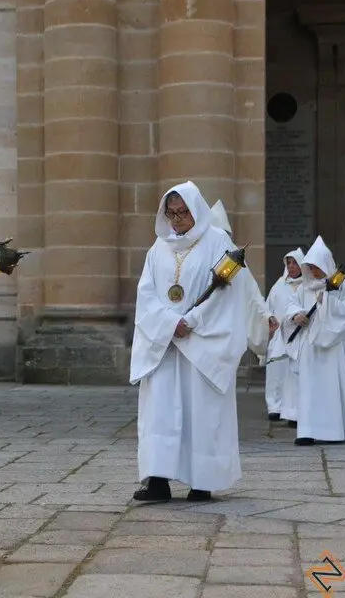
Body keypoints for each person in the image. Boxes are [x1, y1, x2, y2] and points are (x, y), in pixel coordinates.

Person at [130, 181, 248, 502]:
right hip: (166, 344)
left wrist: (192, 321)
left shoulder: (217, 241)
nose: (177, 219)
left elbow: (227, 292)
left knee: (201, 412)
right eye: (171, 213)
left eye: (183, 212)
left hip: (202, 343)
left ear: (196, 210)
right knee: (160, 412)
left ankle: (202, 481)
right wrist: (170, 324)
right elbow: (146, 295)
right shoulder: (158, 248)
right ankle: (157, 481)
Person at [281, 236, 345, 446]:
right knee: (308, 389)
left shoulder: (340, 285)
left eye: (317, 267)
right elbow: (291, 304)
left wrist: (327, 301)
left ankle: (333, 431)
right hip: (310, 347)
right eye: (310, 267)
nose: (313, 271)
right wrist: (296, 315)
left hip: (332, 349)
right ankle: (307, 431)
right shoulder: (305, 286)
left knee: (330, 389)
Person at [209, 200, 278, 358]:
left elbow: (251, 293)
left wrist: (265, 316)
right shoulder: (197, 255)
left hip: (226, 326)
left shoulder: (233, 257)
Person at [263, 248, 304, 421]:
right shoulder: (279, 285)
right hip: (280, 336)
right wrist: (269, 318)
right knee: (276, 373)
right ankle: (274, 406)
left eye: (295, 263)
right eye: (289, 263)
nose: (291, 266)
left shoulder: (307, 285)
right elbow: (267, 307)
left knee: (295, 374)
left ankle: (294, 407)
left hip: (299, 337)